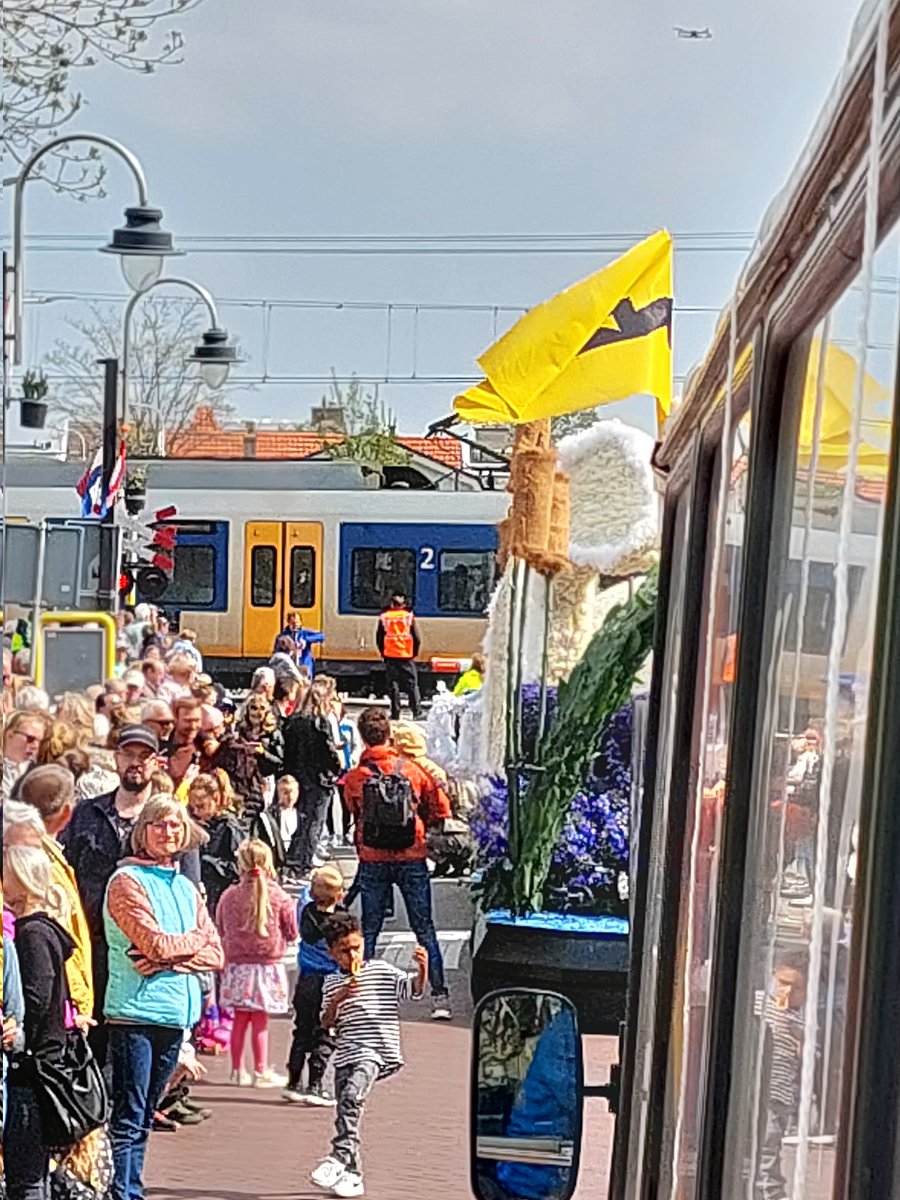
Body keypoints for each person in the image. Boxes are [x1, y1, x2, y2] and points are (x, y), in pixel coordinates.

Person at [104, 795, 223, 1200]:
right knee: (130, 1115)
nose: (168, 831)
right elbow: (154, 943)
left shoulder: (186, 887)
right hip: (134, 1013)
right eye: (158, 824)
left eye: (175, 824)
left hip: (175, 1015)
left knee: (145, 1116)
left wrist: (173, 956)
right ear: (143, 831)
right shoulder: (126, 882)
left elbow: (216, 952)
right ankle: (124, 1192)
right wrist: (187, 947)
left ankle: (130, 1188)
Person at [343, 707, 452, 1020]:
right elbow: (441, 807)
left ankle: (363, 994)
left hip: (373, 857)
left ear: (363, 739)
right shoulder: (413, 770)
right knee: (425, 929)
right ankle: (439, 996)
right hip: (411, 855)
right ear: (389, 734)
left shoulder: (355, 777)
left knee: (370, 929)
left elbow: (352, 811)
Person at [62, 724, 161, 1065]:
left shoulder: (168, 820)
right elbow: (66, 874)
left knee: (138, 1044)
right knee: (94, 1038)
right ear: (116, 759)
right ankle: (94, 1113)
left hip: (144, 953)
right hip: (94, 945)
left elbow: (189, 889)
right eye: (129, 755)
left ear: (156, 763)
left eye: (144, 756)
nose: (135, 763)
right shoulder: (87, 814)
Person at [310, 912, 428, 1198]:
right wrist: (340, 998)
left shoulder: (380, 970)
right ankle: (353, 1174)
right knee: (347, 1111)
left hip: (375, 1051)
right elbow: (326, 1022)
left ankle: (338, 1156)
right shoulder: (331, 983)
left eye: (356, 947)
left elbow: (412, 990)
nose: (352, 955)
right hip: (346, 1054)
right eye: (344, 951)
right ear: (332, 954)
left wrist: (423, 969)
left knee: (352, 1096)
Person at [4, 844, 75, 1200]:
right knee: (34, 1173)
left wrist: (15, 1028)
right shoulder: (45, 929)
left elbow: (36, 995)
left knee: (26, 1173)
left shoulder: (31, 934)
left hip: (32, 1069)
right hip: (47, 1062)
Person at [18, 765, 95, 1030]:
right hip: (56, 1013)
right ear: (66, 813)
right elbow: (55, 943)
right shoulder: (40, 863)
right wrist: (73, 1009)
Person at [215, 839, 296, 1088]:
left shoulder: (229, 895)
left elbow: (220, 926)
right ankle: (261, 1069)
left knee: (240, 1019)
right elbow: (292, 930)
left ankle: (238, 1070)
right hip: (267, 966)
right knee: (260, 1020)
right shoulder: (279, 896)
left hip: (237, 966)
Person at [284, 865, 345, 1105]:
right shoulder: (342, 921)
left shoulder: (306, 914)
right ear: (339, 895)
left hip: (306, 980)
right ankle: (316, 1084)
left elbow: (305, 900)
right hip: (331, 982)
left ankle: (293, 1081)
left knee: (302, 1030)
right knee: (326, 1032)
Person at [281, 679, 343, 877]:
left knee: (300, 820)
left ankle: (293, 860)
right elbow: (329, 750)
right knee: (314, 822)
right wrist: (336, 768)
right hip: (318, 778)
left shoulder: (294, 720)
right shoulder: (320, 722)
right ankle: (304, 863)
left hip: (297, 775)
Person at [187, 771, 243, 916]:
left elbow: (239, 868)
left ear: (216, 799)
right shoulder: (193, 823)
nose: (196, 812)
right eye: (193, 807)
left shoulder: (229, 827)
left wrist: (208, 862)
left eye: (201, 806)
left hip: (222, 897)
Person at [376, 593, 422, 721]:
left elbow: (379, 637)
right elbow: (416, 637)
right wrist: (415, 653)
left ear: (391, 604)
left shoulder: (384, 617)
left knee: (393, 685)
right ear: (403, 605)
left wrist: (383, 653)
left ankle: (395, 713)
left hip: (390, 655)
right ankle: (416, 711)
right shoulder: (408, 617)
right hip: (406, 655)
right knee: (412, 684)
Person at [252, 774, 301, 875]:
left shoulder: (302, 815)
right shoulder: (270, 817)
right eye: (285, 793)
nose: (290, 797)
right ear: (278, 793)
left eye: (293, 792)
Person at [3, 710, 49, 802]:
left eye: (40, 741)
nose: (35, 746)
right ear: (10, 735)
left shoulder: (38, 774)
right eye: (30, 738)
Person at [164, 697, 202, 791]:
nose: (193, 726)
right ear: (175, 719)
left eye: (197, 720)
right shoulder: (162, 748)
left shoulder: (204, 747)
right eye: (188, 721)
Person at [275, 611, 325, 678]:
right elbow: (276, 651)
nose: (295, 625)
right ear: (288, 623)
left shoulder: (304, 632)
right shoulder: (282, 636)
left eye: (297, 623)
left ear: (300, 622)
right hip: (290, 664)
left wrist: (306, 640)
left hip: (304, 663)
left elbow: (321, 636)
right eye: (293, 623)